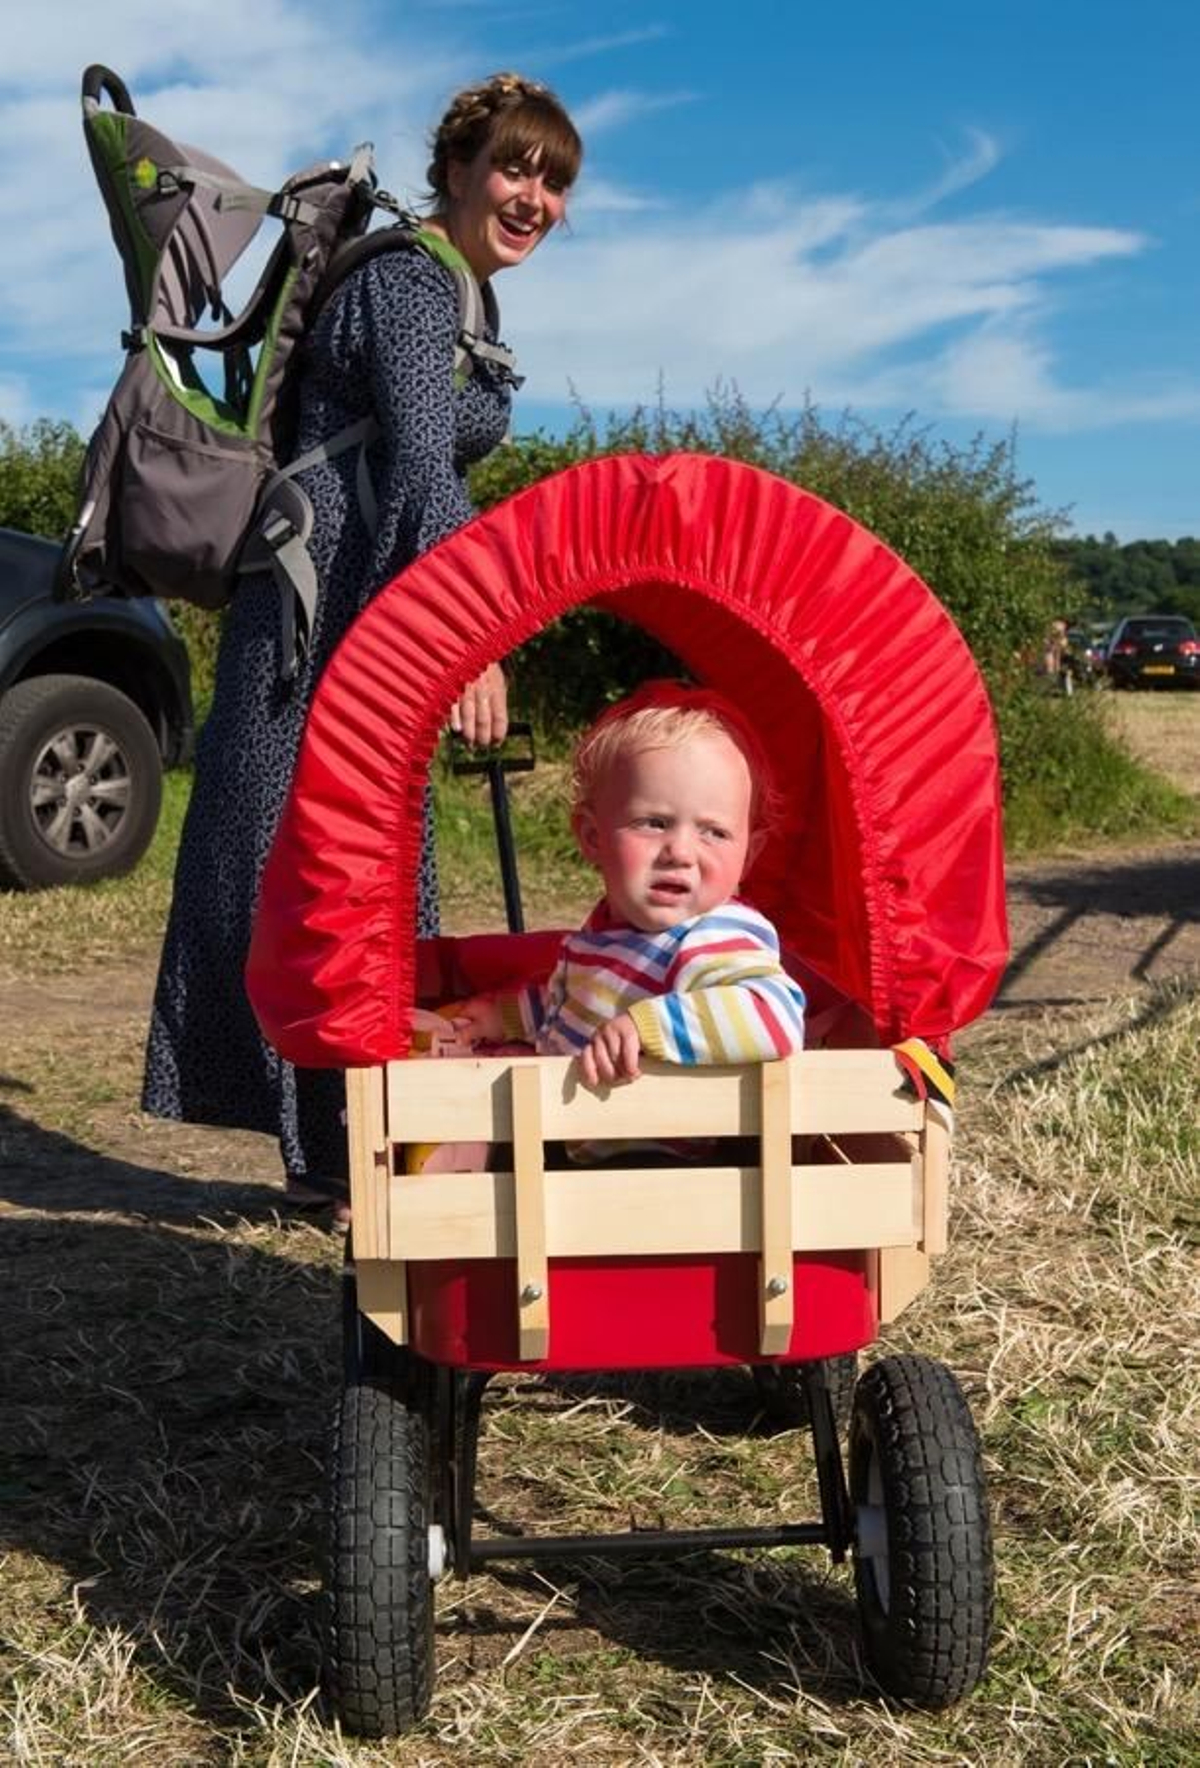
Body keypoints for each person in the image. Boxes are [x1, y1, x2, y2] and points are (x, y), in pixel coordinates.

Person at [142, 75, 583, 1229]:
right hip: (316, 597)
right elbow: (432, 468)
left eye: (554, 179)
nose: (533, 196)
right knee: (291, 854)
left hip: (369, 594)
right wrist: (473, 633)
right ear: (456, 171)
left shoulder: (465, 294)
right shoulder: (409, 278)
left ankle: (354, 1136)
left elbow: (427, 466)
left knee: (367, 858)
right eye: (514, 168)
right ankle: (329, 1151)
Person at [454, 682, 808, 1091]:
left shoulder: (713, 935)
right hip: (580, 1139)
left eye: (713, 832)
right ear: (592, 837)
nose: (680, 851)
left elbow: (775, 1017)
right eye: (654, 823)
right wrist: (503, 1018)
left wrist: (647, 1028)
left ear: (749, 854)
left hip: (667, 1150)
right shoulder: (607, 932)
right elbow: (575, 1000)